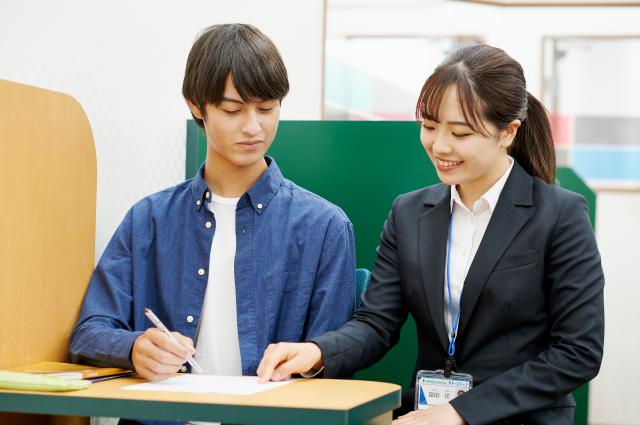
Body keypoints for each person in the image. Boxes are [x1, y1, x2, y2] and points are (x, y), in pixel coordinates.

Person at [257, 44, 604, 425]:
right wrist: (317, 352)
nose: (439, 145)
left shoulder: (560, 214)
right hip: (425, 415)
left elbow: (577, 352)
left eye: (460, 132)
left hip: (520, 418)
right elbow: (376, 324)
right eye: (429, 126)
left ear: (508, 132)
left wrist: (458, 413)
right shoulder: (409, 212)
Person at [69, 23, 355, 423]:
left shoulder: (324, 226)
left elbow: (338, 360)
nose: (254, 126)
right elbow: (88, 332)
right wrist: (134, 348)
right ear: (196, 106)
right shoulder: (149, 219)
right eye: (233, 110)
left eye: (267, 108)